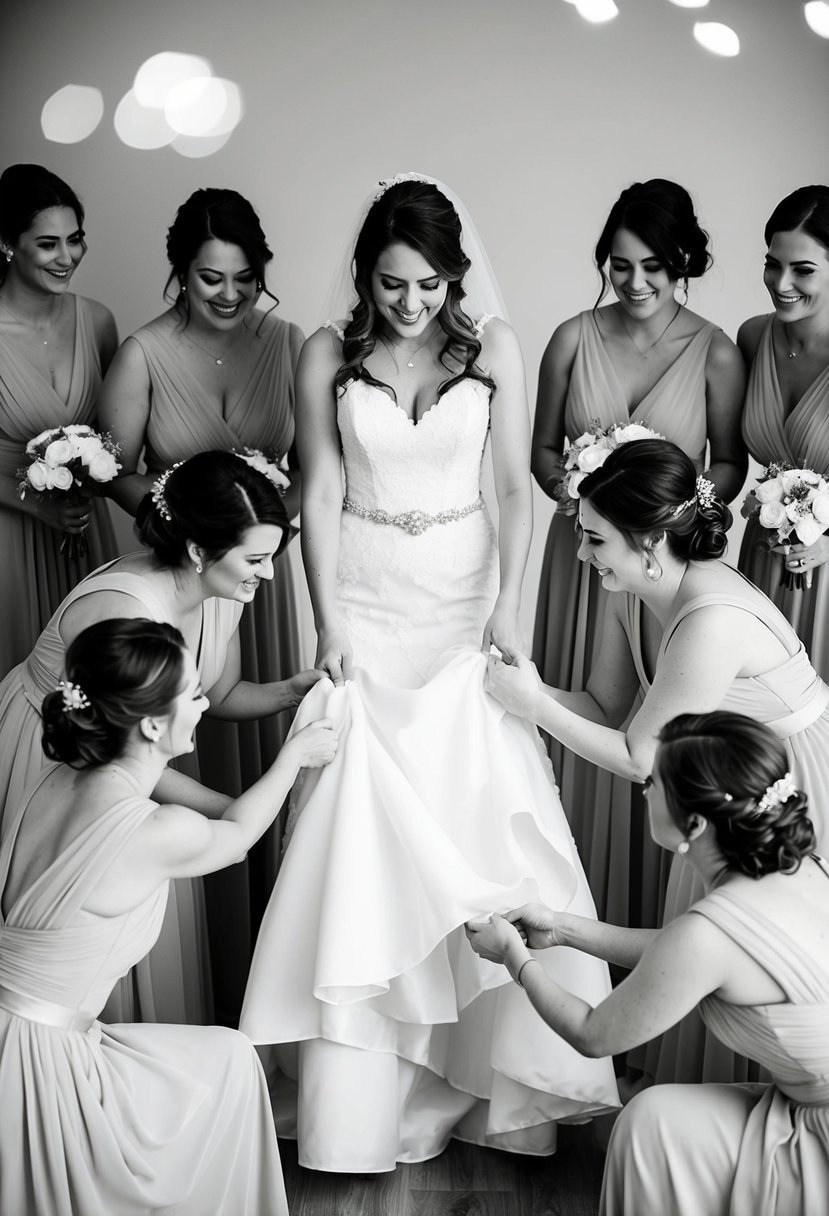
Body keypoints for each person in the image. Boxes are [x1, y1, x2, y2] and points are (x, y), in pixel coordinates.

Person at [239, 173, 619, 1173]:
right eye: (392, 284)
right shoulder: (327, 352)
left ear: (453, 275)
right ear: (364, 274)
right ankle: (364, 1097)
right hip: (365, 600)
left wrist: (506, 605)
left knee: (472, 813)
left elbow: (510, 490)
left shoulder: (490, 343)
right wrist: (325, 620)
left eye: (429, 284)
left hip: (461, 603)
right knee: (363, 831)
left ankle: (489, 1081)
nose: (411, 305)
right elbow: (318, 495)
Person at [484, 437, 829, 1086]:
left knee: (747, 950)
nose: (582, 556)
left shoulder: (711, 619)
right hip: (710, 784)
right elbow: (598, 704)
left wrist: (528, 703)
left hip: (793, 779)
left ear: (646, 543)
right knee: (702, 943)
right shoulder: (629, 588)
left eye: (595, 540)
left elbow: (642, 758)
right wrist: (506, 691)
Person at [0, 616, 338, 1216]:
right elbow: (236, 836)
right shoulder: (155, 831)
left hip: (17, 1032)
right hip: (39, 1069)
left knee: (229, 1061)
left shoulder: (54, 781)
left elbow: (182, 796)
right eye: (193, 693)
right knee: (229, 1069)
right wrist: (295, 755)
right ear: (153, 722)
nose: (205, 702)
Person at [0, 449, 319, 1026]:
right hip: (63, 765)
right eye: (257, 558)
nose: (269, 572)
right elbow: (122, 754)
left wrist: (293, 694)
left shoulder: (221, 587)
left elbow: (216, 694)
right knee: (76, 958)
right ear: (201, 552)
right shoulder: (121, 613)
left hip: (140, 768)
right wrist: (236, 811)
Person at [466, 710, 829, 1216]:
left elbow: (594, 1034)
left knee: (650, 1122)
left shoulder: (711, 934)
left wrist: (514, 957)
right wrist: (563, 927)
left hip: (821, 1133)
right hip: (810, 1098)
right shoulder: (800, 867)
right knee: (653, 1120)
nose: (644, 790)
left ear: (695, 823)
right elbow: (682, 953)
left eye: (654, 782)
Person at [98, 189, 306, 1020]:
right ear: (178, 275)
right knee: (185, 732)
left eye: (244, 279)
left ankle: (272, 954)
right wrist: (194, 513)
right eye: (208, 278)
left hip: (262, 573)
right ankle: (204, 970)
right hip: (186, 567)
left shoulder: (288, 343)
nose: (227, 295)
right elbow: (112, 467)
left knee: (249, 721)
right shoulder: (144, 353)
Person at [531, 179, 746, 930]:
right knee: (577, 707)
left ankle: (638, 918)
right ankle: (568, 900)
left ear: (682, 260)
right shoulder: (570, 337)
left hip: (659, 564)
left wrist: (663, 506)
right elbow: (541, 449)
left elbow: (727, 466)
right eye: (618, 265)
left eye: (652, 266)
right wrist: (572, 489)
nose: (634, 282)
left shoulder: (716, 351)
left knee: (647, 730)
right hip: (583, 556)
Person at [0, 164, 119, 677]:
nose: (67, 257)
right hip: (9, 538)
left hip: (85, 535)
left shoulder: (96, 320)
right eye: (48, 244)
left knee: (96, 684)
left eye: (75, 239)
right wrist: (39, 509)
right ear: (7, 244)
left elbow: (118, 434)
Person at [738, 185, 829, 680]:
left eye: (803, 269)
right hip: (761, 556)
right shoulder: (752, 337)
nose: (781, 281)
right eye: (773, 263)